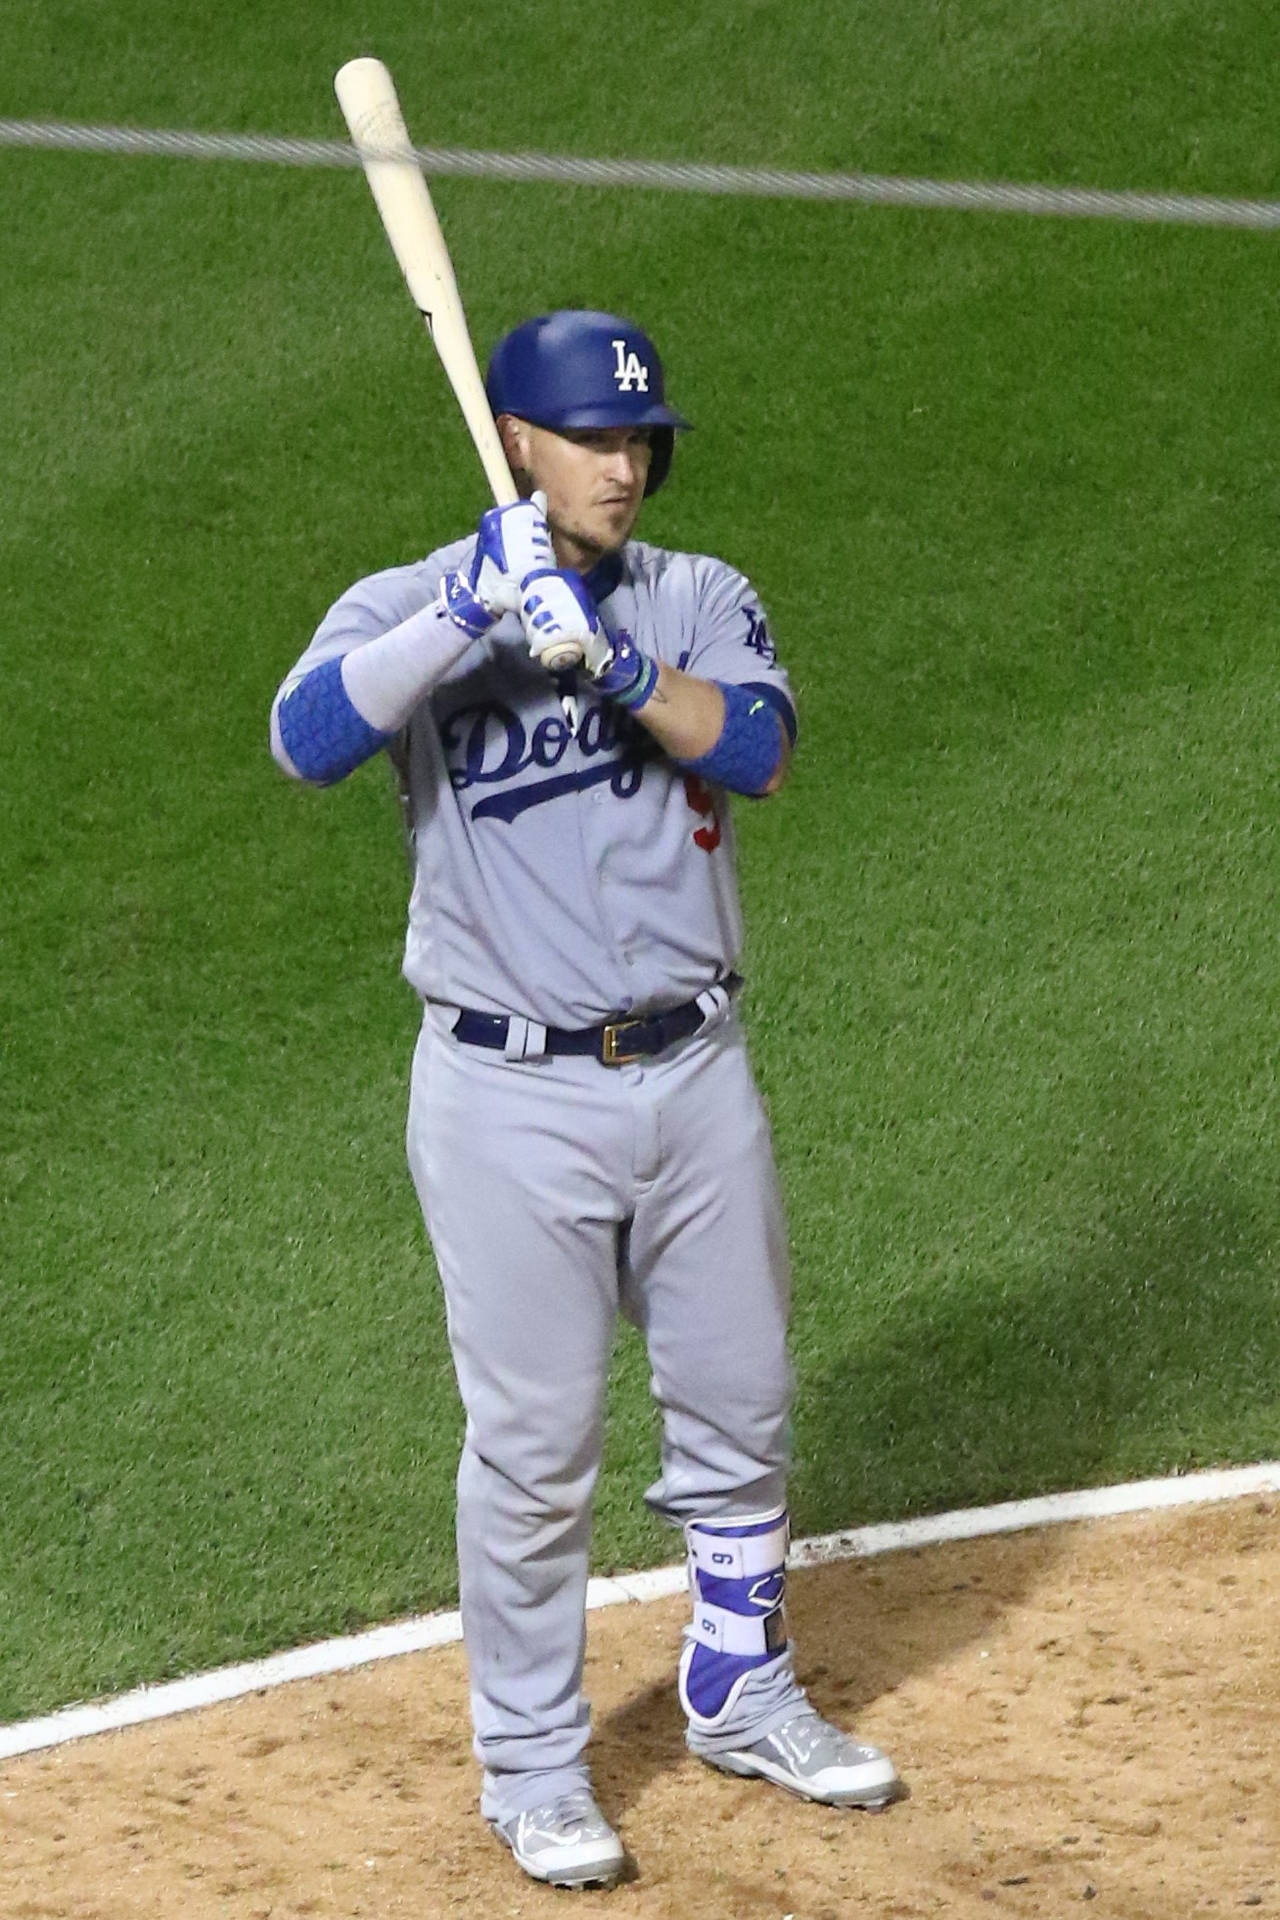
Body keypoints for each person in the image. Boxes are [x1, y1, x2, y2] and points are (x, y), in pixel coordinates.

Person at [270, 309, 899, 1889]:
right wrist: (465, 619)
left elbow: (754, 748)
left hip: (694, 1070)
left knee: (742, 1402)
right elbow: (304, 739)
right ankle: (534, 1766)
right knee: (535, 1448)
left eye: (642, 441)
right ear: (517, 446)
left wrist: (615, 661)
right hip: (507, 1098)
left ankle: (738, 1683)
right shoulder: (420, 597)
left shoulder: (695, 595)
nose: (629, 465)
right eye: (599, 439)